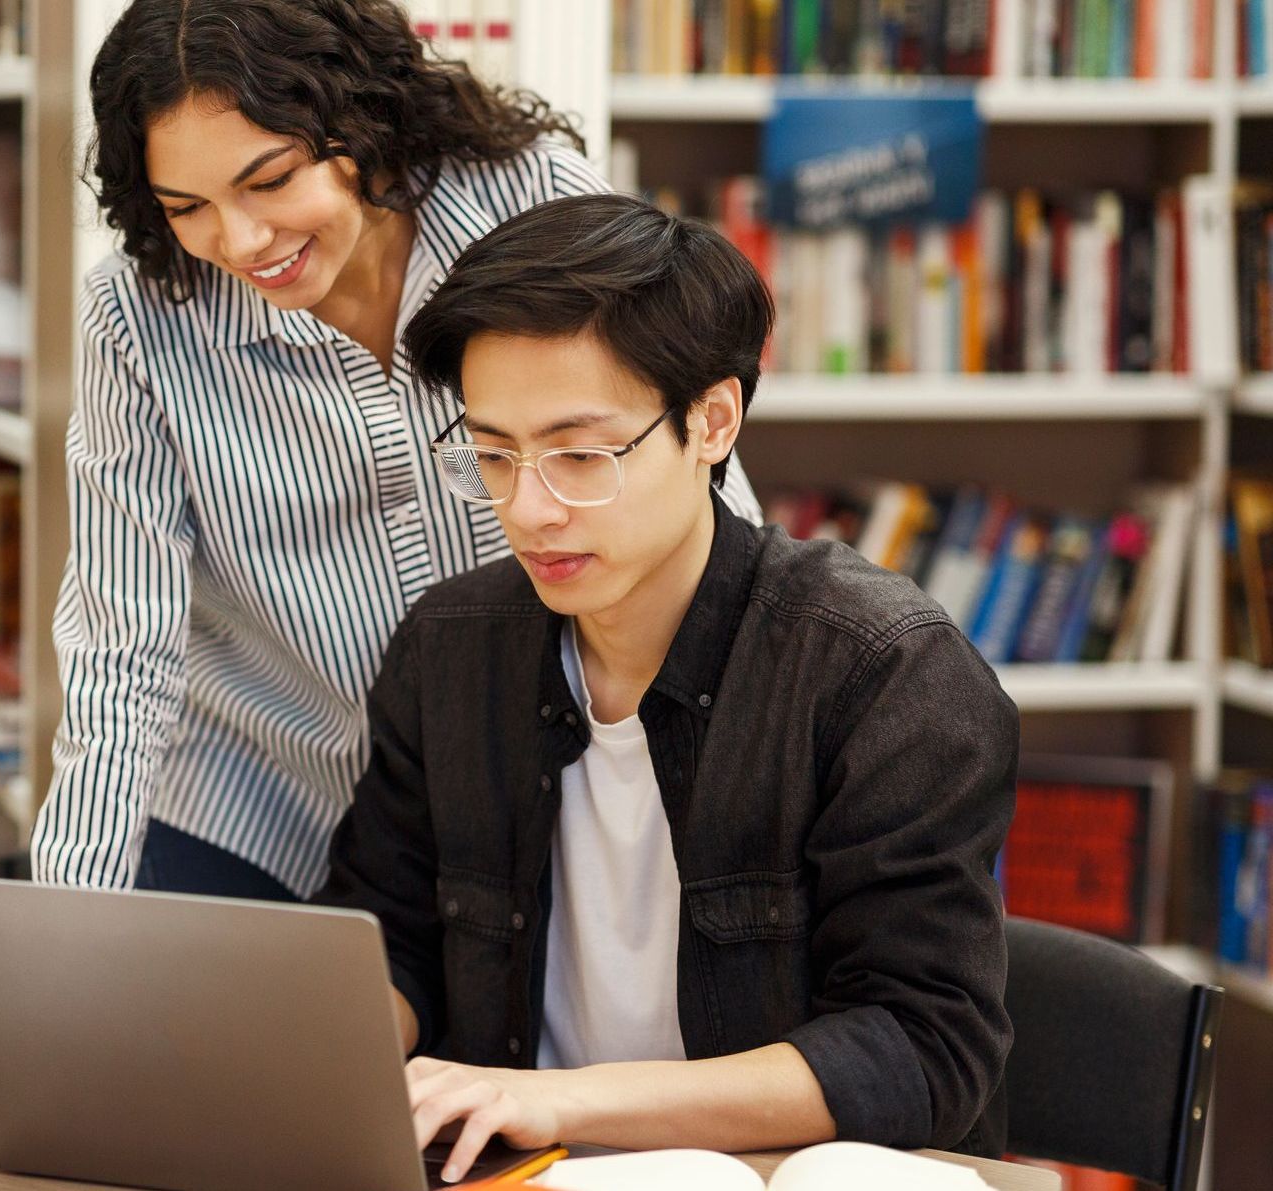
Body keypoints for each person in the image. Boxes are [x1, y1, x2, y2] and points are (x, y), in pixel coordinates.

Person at [0, 0, 760, 1113]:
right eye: (186, 204)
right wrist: (52, 989)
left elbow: (685, 479)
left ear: (363, 121)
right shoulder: (138, 322)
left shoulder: (531, 197)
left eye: (270, 178)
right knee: (147, 1104)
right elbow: (119, 654)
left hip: (520, 780)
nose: (241, 243)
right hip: (258, 789)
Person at [312, 191, 1017, 1183]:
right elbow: (389, 944)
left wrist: (550, 1097)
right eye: (493, 453)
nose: (530, 508)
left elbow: (924, 1046)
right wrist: (325, 1059)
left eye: (581, 455)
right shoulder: (451, 652)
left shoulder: (878, 668)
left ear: (712, 421)